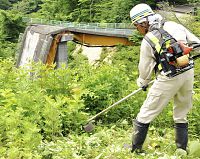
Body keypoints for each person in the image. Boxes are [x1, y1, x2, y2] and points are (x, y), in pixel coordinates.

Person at [129, 3, 200, 153]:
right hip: (188, 71)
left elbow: (145, 70)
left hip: (168, 76)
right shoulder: (173, 25)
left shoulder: (148, 39)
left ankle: (135, 150)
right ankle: (182, 150)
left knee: (146, 113)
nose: (138, 29)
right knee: (181, 113)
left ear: (144, 22)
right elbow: (196, 43)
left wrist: (142, 83)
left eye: (137, 26)